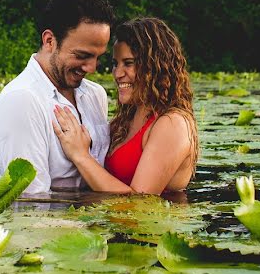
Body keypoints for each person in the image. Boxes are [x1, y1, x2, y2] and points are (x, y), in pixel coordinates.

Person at [53, 17, 198, 194]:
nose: (118, 74)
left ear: (156, 66)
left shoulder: (173, 124)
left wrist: (80, 156)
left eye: (129, 63)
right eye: (115, 64)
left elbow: (140, 201)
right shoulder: (124, 120)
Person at [0, 0, 115, 194]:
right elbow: (29, 202)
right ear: (49, 41)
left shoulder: (95, 95)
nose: (92, 68)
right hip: (53, 225)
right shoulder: (21, 101)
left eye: (98, 57)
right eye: (82, 55)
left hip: (96, 221)